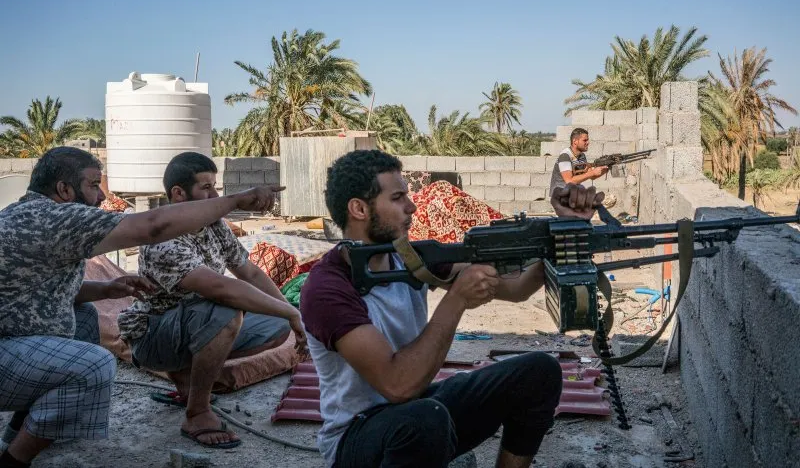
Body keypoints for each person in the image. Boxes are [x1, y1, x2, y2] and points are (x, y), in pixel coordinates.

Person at [300, 149, 604, 468]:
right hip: (357, 438)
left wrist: (566, 232)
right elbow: (397, 386)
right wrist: (456, 299)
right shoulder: (327, 288)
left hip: (417, 412)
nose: (411, 206)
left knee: (539, 372)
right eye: (398, 197)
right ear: (359, 209)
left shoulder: (410, 259)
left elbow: (515, 288)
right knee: (425, 420)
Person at [0, 147, 281, 468]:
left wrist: (106, 289)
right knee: (96, 365)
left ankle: (22, 426)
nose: (102, 195)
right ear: (64, 189)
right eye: (93, 185)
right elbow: (154, 229)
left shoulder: (26, 214)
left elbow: (42, 292)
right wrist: (238, 200)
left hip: (16, 338)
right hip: (20, 348)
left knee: (85, 317)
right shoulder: (54, 218)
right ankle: (14, 460)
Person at [118, 151, 307, 449]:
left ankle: (187, 381)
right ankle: (197, 413)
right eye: (206, 188)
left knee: (274, 322)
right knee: (225, 312)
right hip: (154, 338)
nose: (215, 196)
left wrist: (290, 313)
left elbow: (249, 272)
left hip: (189, 324)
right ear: (178, 194)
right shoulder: (162, 239)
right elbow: (221, 288)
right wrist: (292, 313)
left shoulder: (213, 225)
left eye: (215, 186)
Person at [549, 127, 608, 194]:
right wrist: (593, 172)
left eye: (587, 140)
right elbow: (569, 181)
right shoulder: (565, 156)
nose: (588, 143)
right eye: (585, 140)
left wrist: (606, 169)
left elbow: (592, 176)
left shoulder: (582, 156)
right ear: (575, 141)